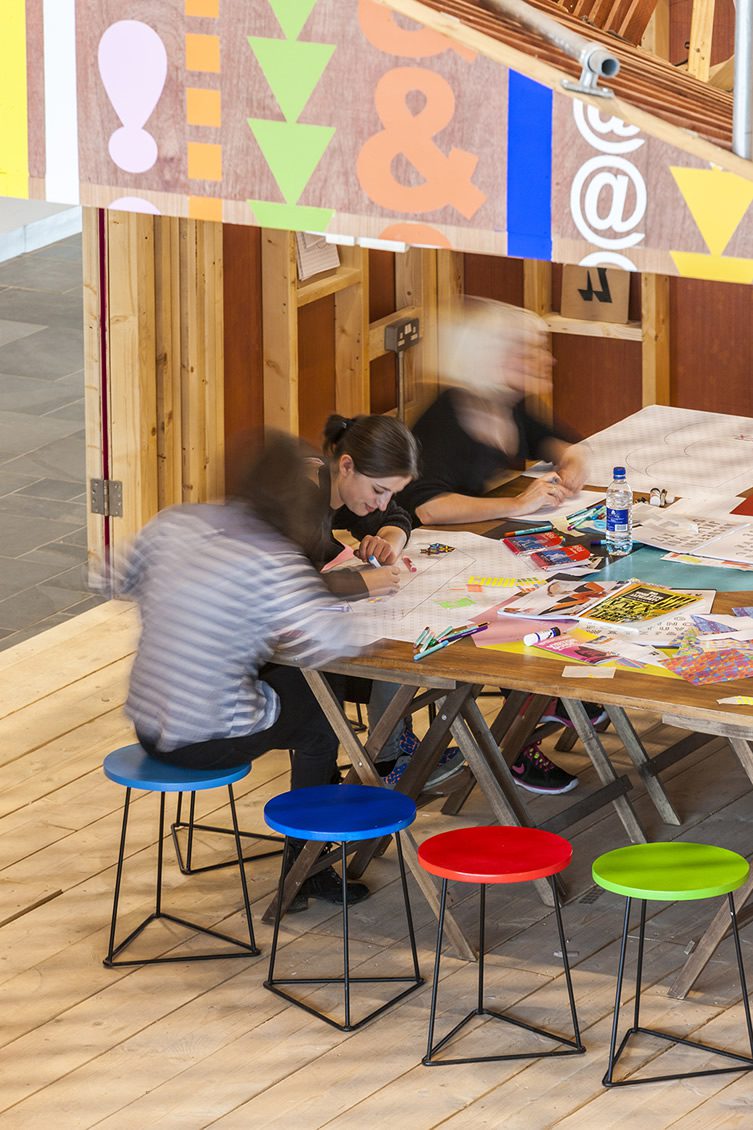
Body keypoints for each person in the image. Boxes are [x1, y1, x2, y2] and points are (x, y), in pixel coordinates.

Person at [113, 433, 375, 912]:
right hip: (208, 737)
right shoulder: (275, 559)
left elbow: (116, 578)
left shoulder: (175, 522)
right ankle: (307, 869)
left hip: (149, 723)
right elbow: (333, 643)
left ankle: (310, 862)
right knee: (324, 706)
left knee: (295, 686)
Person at [396, 299, 597, 796]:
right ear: (491, 358)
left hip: (478, 546)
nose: (545, 362)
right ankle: (518, 730)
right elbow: (426, 508)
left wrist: (570, 468)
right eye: (530, 352)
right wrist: (524, 501)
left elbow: (564, 443)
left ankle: (542, 702)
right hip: (424, 560)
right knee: (529, 602)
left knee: (571, 583)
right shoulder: (447, 420)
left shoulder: (508, 400)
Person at [305, 413, 466, 788]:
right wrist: (361, 583)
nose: (382, 503)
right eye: (379, 490)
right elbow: (284, 584)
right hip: (273, 655)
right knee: (396, 646)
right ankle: (383, 761)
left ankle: (392, 749)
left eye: (392, 491)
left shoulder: (341, 488)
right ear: (346, 466)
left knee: (406, 634)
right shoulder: (301, 494)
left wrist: (389, 540)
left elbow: (396, 516)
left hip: (310, 632)